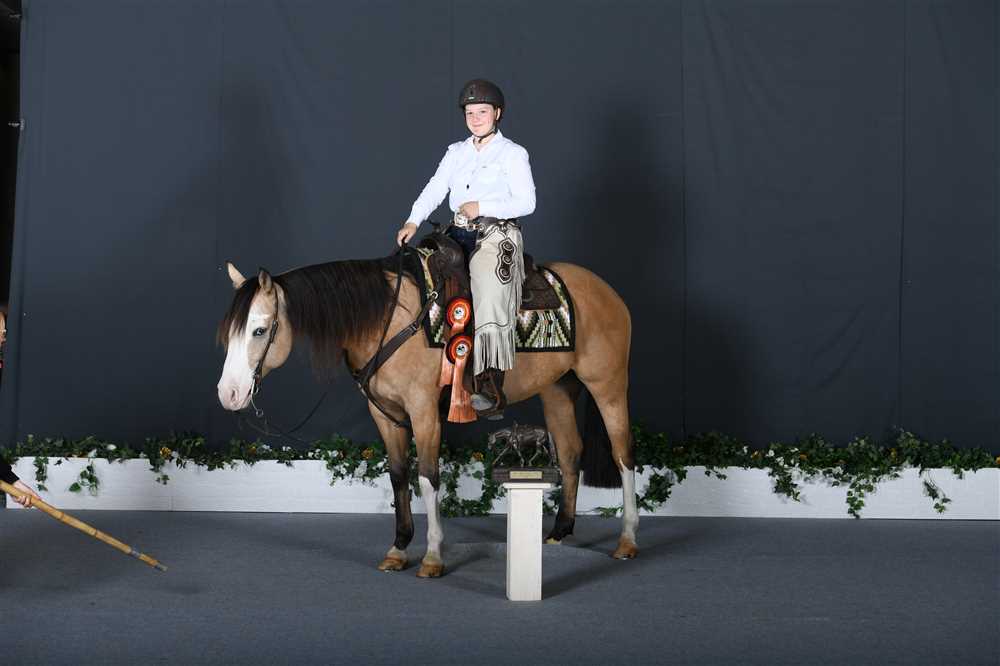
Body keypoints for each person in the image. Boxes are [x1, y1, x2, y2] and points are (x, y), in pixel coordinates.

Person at [397, 79, 536, 415]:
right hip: (456, 233)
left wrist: (481, 206)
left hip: (496, 234)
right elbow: (435, 187)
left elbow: (527, 202)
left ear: (497, 113)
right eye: (470, 113)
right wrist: (413, 221)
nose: (475, 119)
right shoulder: (456, 152)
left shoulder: (513, 153)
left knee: (488, 288)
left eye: (482, 112)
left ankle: (489, 385)